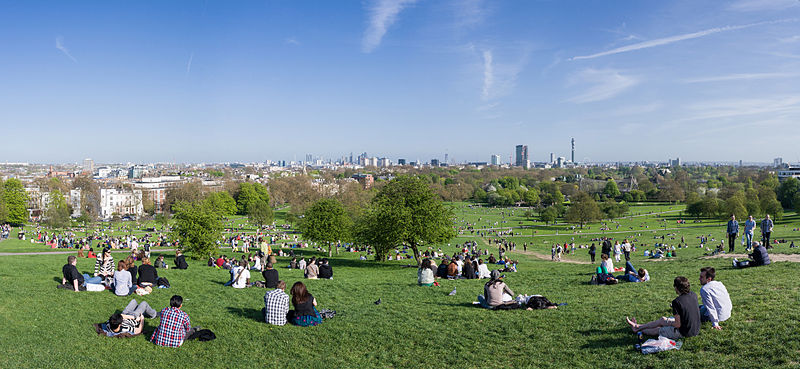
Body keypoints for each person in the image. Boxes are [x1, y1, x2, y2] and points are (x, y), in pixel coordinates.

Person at [626, 276, 701, 339]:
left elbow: (678, 325)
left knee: (658, 329)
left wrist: (667, 323)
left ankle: (638, 330)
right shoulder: (693, 294)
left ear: (676, 287)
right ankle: (638, 326)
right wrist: (665, 321)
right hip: (695, 328)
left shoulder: (677, 302)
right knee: (662, 320)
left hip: (685, 332)